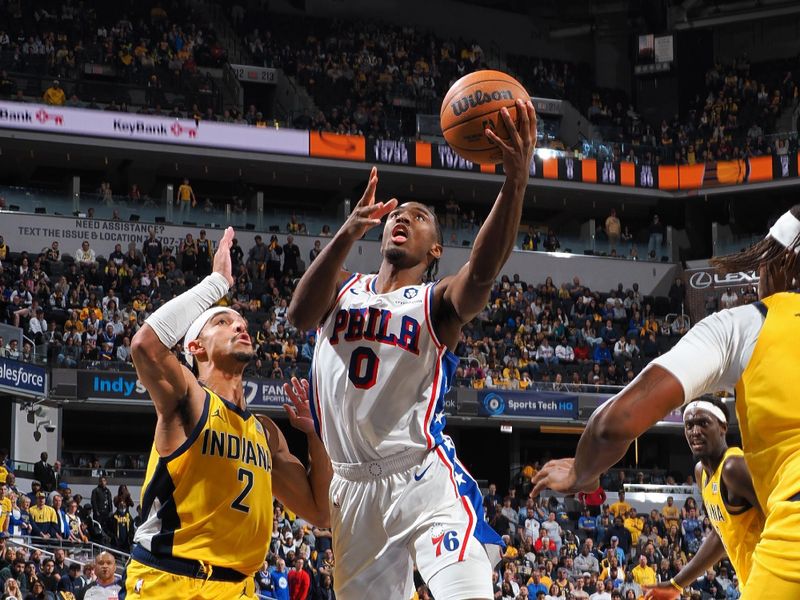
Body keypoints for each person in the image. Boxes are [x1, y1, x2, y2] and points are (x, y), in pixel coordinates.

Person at [288, 99, 537, 599]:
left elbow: (483, 274)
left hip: (421, 476)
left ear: (436, 249)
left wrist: (514, 183)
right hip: (350, 488)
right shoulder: (341, 285)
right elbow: (297, 316)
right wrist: (349, 228)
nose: (402, 218)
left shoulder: (435, 299)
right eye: (396, 214)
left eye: (418, 217)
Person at [532, 205, 800, 600]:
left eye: (760, 264)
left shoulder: (747, 324)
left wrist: (581, 473)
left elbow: (615, 422)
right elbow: (723, 531)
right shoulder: (704, 477)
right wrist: (678, 582)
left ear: (778, 264)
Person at [122, 227, 332, 599]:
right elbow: (145, 345)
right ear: (195, 346)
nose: (239, 324)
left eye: (243, 323)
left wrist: (316, 435)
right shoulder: (188, 398)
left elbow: (320, 512)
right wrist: (217, 283)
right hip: (172, 580)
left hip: (239, 588)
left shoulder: (265, 431)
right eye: (222, 322)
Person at [643, 397, 764, 598]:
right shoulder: (701, 473)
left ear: (723, 427)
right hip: (750, 581)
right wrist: (676, 584)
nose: (695, 431)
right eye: (689, 425)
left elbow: (781, 518)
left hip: (772, 578)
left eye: (703, 423)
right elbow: (719, 534)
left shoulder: (733, 467)